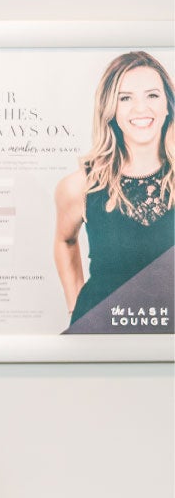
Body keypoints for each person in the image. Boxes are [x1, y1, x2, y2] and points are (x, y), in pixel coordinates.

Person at [53, 50, 174, 329]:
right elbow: (64, 241)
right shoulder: (80, 186)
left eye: (152, 95)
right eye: (126, 98)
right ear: (111, 110)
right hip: (100, 344)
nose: (140, 108)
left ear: (168, 105)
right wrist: (76, 308)